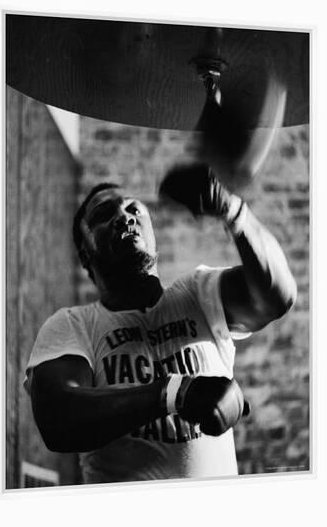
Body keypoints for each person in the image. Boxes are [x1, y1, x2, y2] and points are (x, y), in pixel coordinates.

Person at [24, 165, 297, 484]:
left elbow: (278, 295)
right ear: (85, 255)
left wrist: (232, 209)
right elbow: (57, 420)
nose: (124, 216)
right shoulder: (72, 325)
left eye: (134, 209)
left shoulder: (199, 294)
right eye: (104, 214)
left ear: (153, 235)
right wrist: (174, 393)